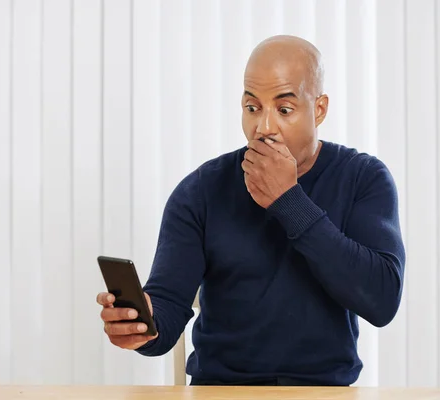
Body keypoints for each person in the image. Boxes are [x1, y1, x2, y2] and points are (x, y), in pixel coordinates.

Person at [97, 35, 405, 386]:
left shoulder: (363, 178)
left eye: (284, 109)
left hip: (323, 391)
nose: (264, 127)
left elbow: (382, 301)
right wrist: (142, 326)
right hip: (219, 390)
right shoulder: (201, 190)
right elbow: (165, 315)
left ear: (319, 109)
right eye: (252, 108)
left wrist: (288, 201)